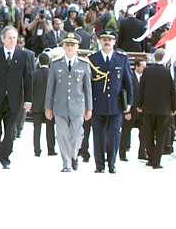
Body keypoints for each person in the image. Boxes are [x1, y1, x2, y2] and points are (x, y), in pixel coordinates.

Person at [0, 25, 34, 169]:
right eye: (9, 38)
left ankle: (5, 157)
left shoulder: (24, 56)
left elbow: (28, 79)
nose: (12, 40)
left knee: (11, 131)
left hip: (14, 99)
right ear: (3, 39)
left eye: (15, 38)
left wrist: (28, 100)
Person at [45, 33, 93, 172]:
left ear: (77, 47)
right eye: (67, 45)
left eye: (73, 45)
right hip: (60, 105)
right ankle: (66, 162)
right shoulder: (55, 64)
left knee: (77, 134)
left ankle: (74, 155)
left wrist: (89, 108)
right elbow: (50, 87)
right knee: (62, 135)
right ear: (63, 46)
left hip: (78, 105)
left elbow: (87, 88)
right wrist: (48, 107)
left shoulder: (84, 64)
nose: (70, 47)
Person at [88, 30, 133, 174]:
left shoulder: (122, 59)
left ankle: (112, 162)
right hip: (97, 103)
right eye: (104, 39)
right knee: (98, 135)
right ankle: (99, 164)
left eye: (110, 39)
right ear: (99, 41)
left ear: (114, 42)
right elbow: (88, 84)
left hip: (116, 104)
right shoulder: (92, 59)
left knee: (114, 134)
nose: (107, 41)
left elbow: (127, 82)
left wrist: (129, 102)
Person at [135, 49, 176, 169]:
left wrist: (139, 105)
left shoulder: (147, 71)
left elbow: (141, 88)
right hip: (164, 109)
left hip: (148, 108)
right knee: (161, 135)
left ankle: (150, 157)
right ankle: (156, 161)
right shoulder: (168, 71)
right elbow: (173, 91)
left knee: (148, 134)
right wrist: (174, 107)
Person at [119, 57, 146, 162]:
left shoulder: (145, 77)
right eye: (143, 66)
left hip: (142, 111)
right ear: (137, 66)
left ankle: (142, 153)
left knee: (144, 133)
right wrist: (127, 110)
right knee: (125, 132)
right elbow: (125, 93)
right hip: (131, 110)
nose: (145, 68)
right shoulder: (129, 77)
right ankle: (122, 153)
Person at [31, 53, 56, 157]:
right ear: (49, 61)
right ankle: (51, 149)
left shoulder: (34, 74)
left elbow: (31, 90)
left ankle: (37, 150)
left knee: (37, 129)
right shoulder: (52, 74)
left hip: (36, 105)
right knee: (50, 128)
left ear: (39, 62)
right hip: (49, 106)